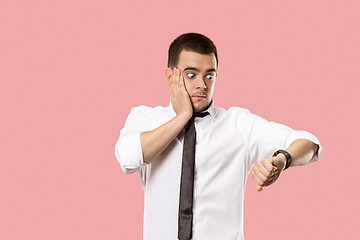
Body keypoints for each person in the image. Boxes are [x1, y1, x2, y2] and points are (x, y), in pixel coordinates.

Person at [114, 32, 322, 240]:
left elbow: (310, 144)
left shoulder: (238, 124)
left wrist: (281, 160)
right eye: (191, 74)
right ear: (171, 77)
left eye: (209, 76)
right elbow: (128, 157)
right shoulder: (146, 118)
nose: (202, 85)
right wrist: (183, 116)